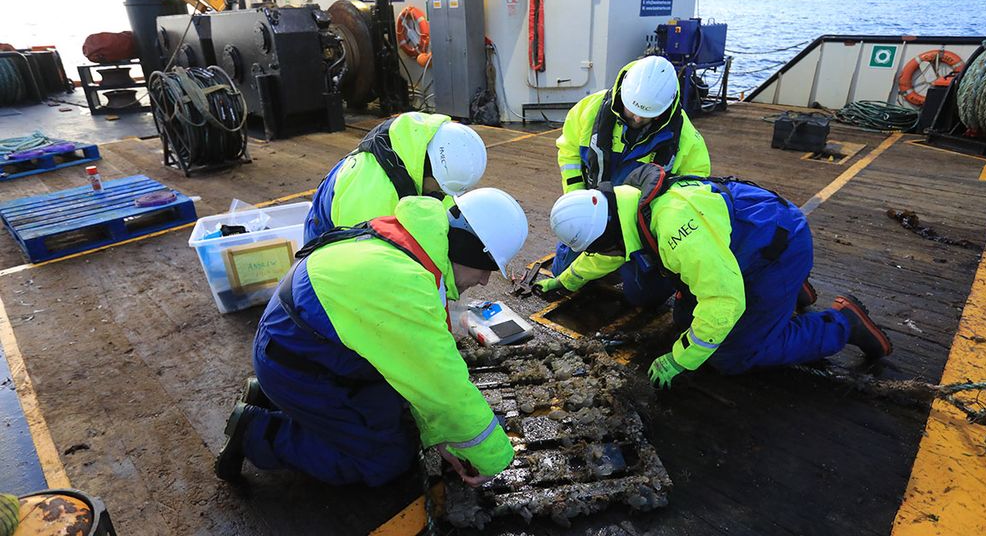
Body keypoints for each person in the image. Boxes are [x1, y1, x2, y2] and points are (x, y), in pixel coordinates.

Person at [215, 188, 529, 487]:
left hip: (296, 347)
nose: (486, 281)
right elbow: (442, 387)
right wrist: (494, 459)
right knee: (387, 459)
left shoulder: (412, 244)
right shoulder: (405, 284)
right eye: (486, 267)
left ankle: (271, 397)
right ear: (466, 249)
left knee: (397, 413)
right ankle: (257, 431)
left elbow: (419, 376)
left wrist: (441, 436)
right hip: (296, 364)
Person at [542, 163, 892, 385]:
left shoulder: (675, 230)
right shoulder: (625, 206)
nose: (610, 254)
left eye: (606, 246)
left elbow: (724, 300)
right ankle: (790, 291)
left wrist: (681, 359)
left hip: (778, 250)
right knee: (685, 319)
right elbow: (606, 257)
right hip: (750, 238)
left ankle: (843, 324)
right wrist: (563, 281)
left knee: (732, 354)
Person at [552, 55, 711, 297]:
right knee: (560, 271)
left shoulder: (688, 143)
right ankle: (605, 261)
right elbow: (569, 150)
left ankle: (619, 264)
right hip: (595, 211)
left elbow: (691, 198)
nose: (637, 119)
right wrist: (576, 199)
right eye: (632, 110)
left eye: (646, 115)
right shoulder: (589, 110)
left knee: (644, 296)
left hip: (639, 228)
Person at [304, 112, 487, 242]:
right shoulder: (374, 203)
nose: (440, 194)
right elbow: (368, 269)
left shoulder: (417, 142)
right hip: (330, 250)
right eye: (439, 188)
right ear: (427, 169)